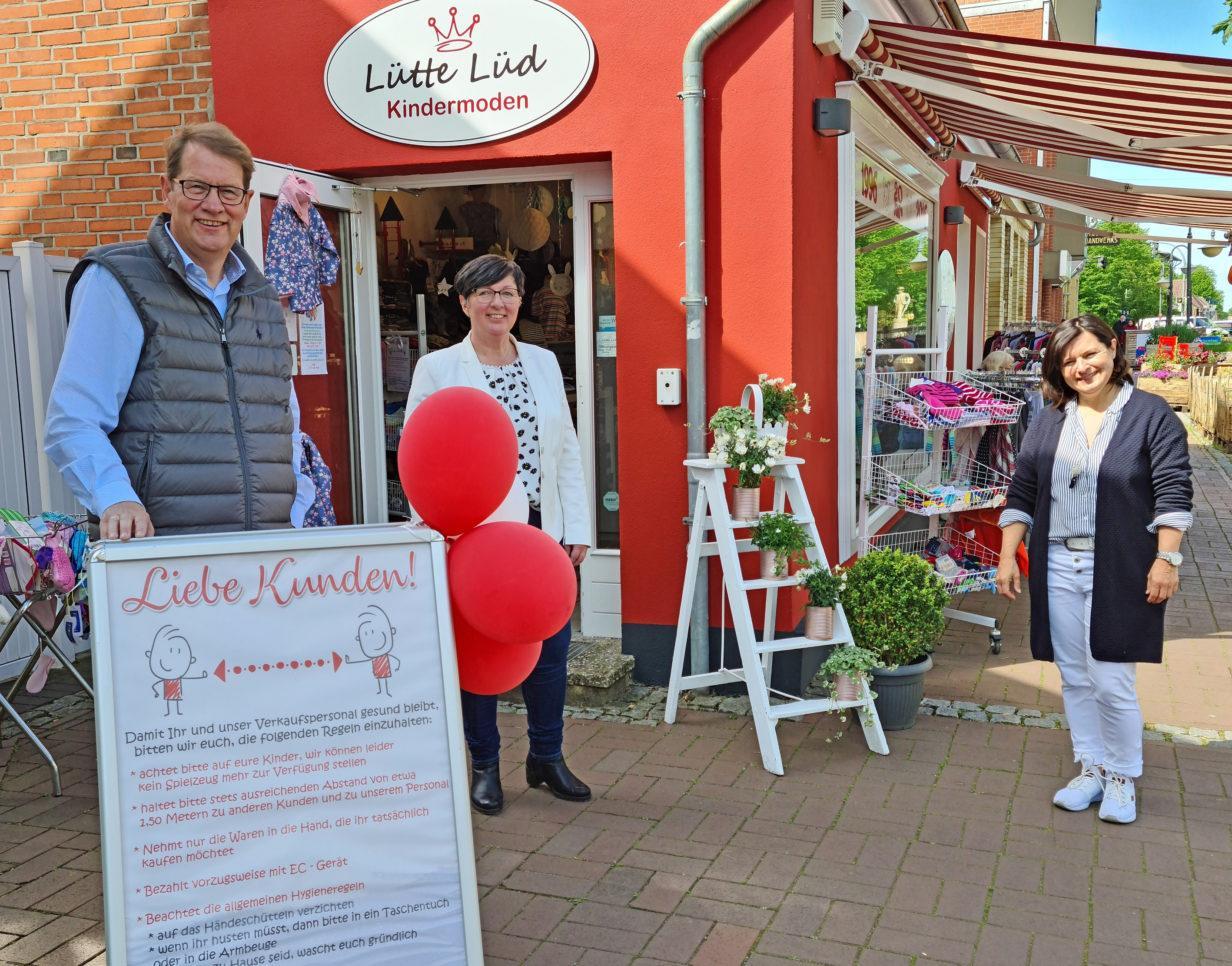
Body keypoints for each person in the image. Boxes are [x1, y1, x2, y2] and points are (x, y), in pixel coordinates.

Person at [44, 122, 315, 539]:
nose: (213, 205)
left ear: (244, 203)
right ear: (167, 191)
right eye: (196, 187)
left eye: (228, 192)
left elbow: (286, 424)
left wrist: (296, 507)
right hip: (161, 564)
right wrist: (117, 498)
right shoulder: (118, 282)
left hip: (266, 556)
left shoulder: (262, 296)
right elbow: (74, 419)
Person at [405, 254, 592, 815]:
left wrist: (577, 524)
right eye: (485, 293)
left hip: (541, 530)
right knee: (482, 657)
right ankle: (484, 765)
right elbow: (420, 454)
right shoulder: (438, 368)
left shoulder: (541, 363)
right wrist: (433, 526)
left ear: (520, 301)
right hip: (477, 535)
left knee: (552, 651)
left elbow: (566, 450)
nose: (498, 303)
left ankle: (547, 757)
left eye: (508, 293)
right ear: (463, 302)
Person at [995, 315, 1192, 825]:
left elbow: (1173, 492)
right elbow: (1023, 491)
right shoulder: (1049, 419)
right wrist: (1007, 554)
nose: (1081, 367)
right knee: (1075, 676)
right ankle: (1091, 768)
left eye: (1089, 354)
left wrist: (1165, 560)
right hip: (1057, 561)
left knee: (1112, 677)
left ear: (1113, 347)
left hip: (1120, 565)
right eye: (1068, 361)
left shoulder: (1152, 417)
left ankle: (1123, 777)